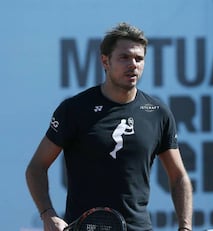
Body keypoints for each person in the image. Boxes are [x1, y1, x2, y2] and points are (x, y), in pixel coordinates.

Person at [25, 22, 193, 231]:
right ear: (105, 61)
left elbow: (179, 177)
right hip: (85, 228)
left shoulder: (158, 113)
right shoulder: (75, 109)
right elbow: (36, 168)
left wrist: (185, 227)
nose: (133, 64)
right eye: (124, 57)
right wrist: (47, 214)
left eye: (139, 59)